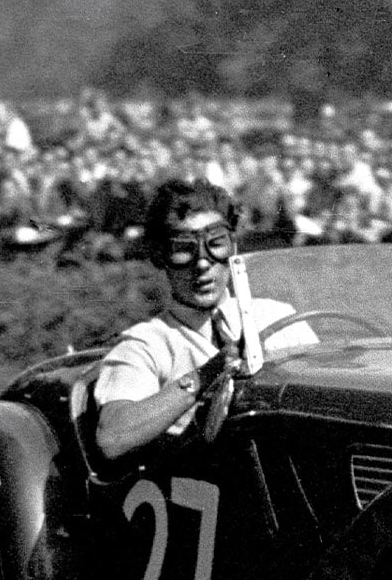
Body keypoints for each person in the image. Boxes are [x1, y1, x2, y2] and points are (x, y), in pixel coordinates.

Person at [92, 180, 312, 462]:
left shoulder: (278, 317)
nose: (202, 264)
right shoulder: (145, 344)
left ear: (232, 249)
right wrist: (207, 374)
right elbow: (113, 437)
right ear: (161, 256)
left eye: (215, 244)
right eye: (183, 248)